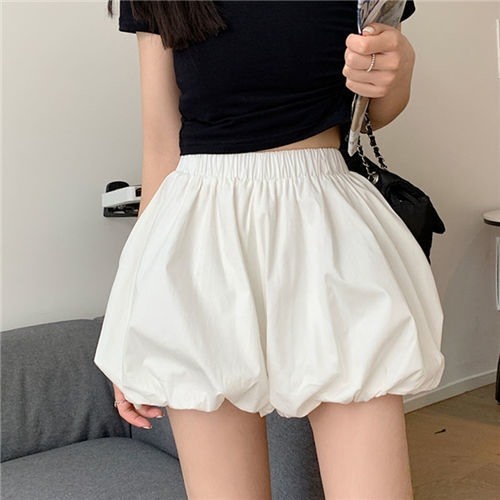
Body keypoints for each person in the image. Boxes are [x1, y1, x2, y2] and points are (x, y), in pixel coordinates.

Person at [95, 1, 446, 498]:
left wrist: (400, 67)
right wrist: (130, 317)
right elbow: (160, 144)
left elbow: (371, 111)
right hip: (199, 239)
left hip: (328, 229)